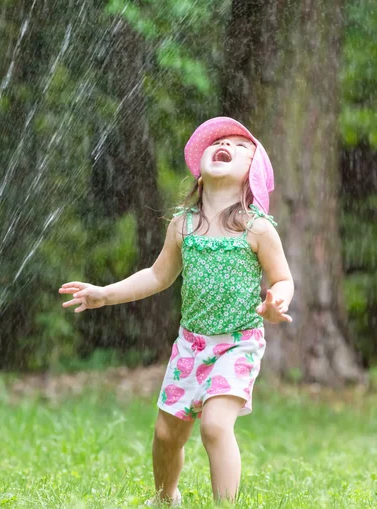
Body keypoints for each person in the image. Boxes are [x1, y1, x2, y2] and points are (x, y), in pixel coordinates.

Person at [59, 117, 294, 505]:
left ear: (250, 178)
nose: (228, 146)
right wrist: (106, 293)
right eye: (220, 143)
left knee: (216, 428)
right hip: (191, 345)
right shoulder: (183, 226)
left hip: (238, 343)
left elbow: (282, 279)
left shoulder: (257, 229)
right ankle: (166, 497)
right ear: (200, 174)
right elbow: (156, 275)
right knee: (167, 435)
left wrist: (277, 302)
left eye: (241, 147)